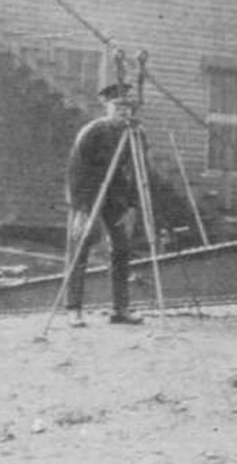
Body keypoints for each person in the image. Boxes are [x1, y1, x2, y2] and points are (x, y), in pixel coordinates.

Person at [63, 82, 147, 327]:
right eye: (118, 106)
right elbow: (74, 174)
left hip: (116, 198)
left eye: (128, 107)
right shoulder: (92, 132)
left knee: (121, 248)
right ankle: (73, 308)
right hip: (88, 196)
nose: (124, 111)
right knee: (80, 247)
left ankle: (120, 309)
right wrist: (81, 210)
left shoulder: (135, 134)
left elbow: (139, 171)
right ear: (107, 107)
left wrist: (132, 206)